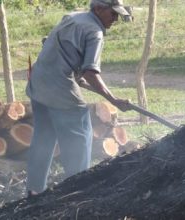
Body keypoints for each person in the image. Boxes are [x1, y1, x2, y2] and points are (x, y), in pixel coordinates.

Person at [25, 0, 131, 196]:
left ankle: (34, 189)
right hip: (59, 86)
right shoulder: (95, 33)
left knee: (44, 137)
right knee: (80, 134)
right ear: (98, 8)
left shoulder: (73, 17)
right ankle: (79, 191)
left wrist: (76, 76)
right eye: (113, 13)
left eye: (118, 15)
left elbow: (52, 45)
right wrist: (113, 99)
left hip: (38, 83)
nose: (115, 19)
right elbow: (90, 72)